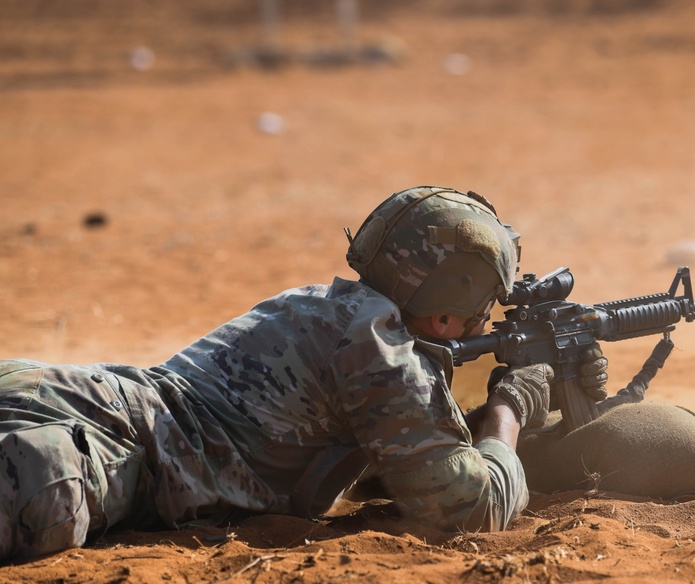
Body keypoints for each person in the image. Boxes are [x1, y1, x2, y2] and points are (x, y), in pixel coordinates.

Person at [0, 186, 610, 561]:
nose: (484, 325)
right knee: (42, 505)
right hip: (83, 448)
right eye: (482, 310)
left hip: (63, 395)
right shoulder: (378, 346)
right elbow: (469, 511)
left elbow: (392, 457)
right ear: (450, 301)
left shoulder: (331, 309)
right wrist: (513, 405)